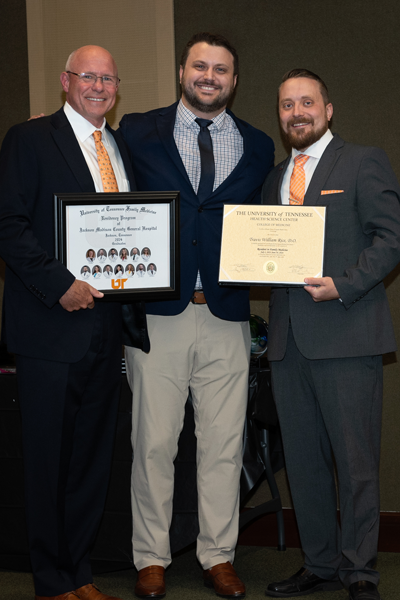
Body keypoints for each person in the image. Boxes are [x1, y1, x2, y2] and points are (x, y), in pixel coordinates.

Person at [120, 32, 274, 599]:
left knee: (223, 442)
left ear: (234, 80)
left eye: (222, 70)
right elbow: (98, 180)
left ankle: (217, 555)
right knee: (155, 441)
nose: (209, 76)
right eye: (200, 66)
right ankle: (151, 557)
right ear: (182, 71)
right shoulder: (136, 130)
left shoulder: (258, 144)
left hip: (228, 315)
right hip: (160, 312)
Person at [0, 45, 149, 600]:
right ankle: (50, 581)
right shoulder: (29, 139)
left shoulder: (120, 146)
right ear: (66, 81)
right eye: (88, 76)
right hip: (49, 328)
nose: (99, 86)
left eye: (108, 78)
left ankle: (79, 572)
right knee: (47, 460)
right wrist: (58, 284)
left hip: (106, 328)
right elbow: (9, 224)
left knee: (90, 459)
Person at [261, 69, 400, 600]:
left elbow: (391, 238)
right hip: (288, 341)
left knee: (356, 460)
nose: (297, 113)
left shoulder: (363, 161)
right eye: (287, 105)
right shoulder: (274, 176)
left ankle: (360, 570)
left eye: (307, 103)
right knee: (304, 461)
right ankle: (319, 563)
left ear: (328, 108)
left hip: (347, 334)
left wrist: (343, 285)